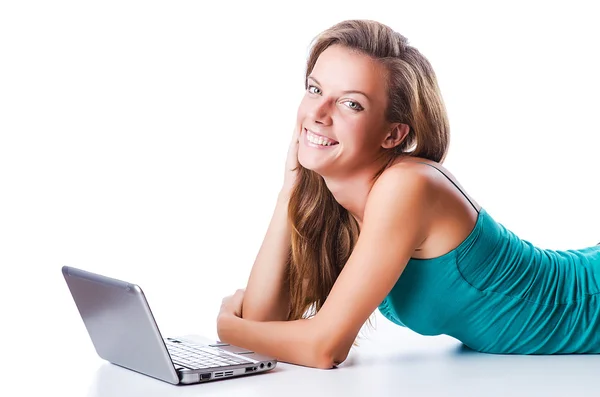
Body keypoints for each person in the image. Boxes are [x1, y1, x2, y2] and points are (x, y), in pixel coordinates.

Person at [216, 19, 600, 369]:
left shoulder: (406, 186)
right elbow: (262, 323)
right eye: (315, 89)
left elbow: (324, 348)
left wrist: (227, 327)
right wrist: (290, 189)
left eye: (351, 103)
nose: (319, 112)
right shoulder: (344, 203)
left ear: (393, 134)